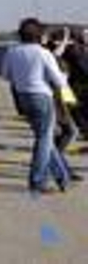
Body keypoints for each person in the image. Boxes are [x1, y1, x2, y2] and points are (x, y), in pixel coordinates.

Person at [0, 18, 72, 194]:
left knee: (44, 138)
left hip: (22, 97)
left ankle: (62, 177)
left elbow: (5, 75)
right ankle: (37, 181)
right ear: (38, 35)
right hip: (41, 96)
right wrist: (64, 76)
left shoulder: (12, 51)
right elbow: (58, 80)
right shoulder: (43, 53)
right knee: (44, 139)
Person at [43, 28, 82, 181]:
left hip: (61, 97)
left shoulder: (59, 56)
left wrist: (71, 100)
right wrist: (65, 38)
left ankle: (60, 166)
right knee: (70, 132)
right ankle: (56, 164)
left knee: (66, 133)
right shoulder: (48, 55)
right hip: (54, 99)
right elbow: (56, 53)